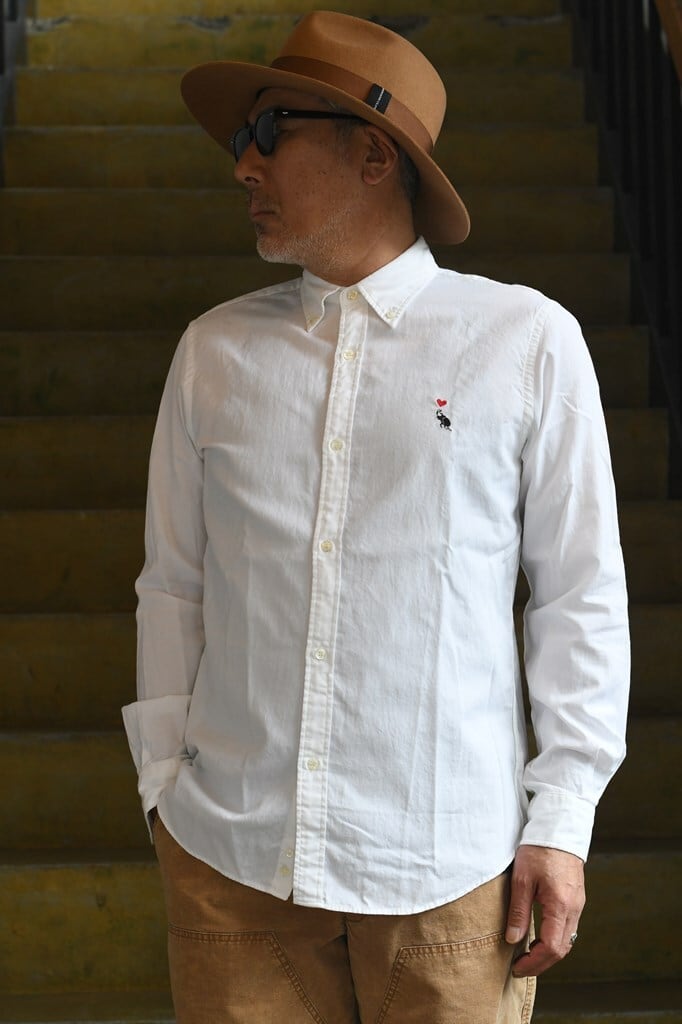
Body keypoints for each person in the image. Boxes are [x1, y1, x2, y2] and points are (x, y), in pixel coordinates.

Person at [122, 11, 630, 1023]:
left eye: (268, 133)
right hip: (231, 863)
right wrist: (164, 791)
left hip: (451, 871)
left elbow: (579, 597)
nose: (242, 166)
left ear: (372, 155)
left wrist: (562, 819)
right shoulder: (213, 352)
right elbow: (173, 584)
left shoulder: (525, 341)